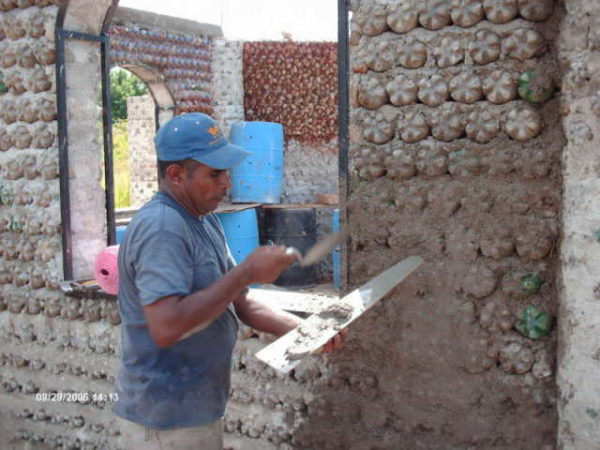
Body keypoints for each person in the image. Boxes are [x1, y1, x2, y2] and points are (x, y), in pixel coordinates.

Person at [112, 112, 344, 450]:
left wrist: (307, 331)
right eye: (215, 173)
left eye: (227, 172)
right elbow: (165, 326)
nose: (227, 184)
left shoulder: (204, 222)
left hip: (194, 409)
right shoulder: (163, 229)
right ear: (176, 175)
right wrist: (246, 271)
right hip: (163, 421)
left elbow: (242, 302)